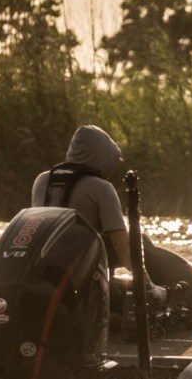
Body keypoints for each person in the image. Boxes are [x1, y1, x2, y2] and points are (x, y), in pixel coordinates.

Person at [31, 125, 165, 317]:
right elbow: (125, 252)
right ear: (103, 158)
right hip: (83, 284)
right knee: (142, 242)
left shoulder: (42, 181)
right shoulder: (102, 189)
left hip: (46, 275)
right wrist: (151, 288)